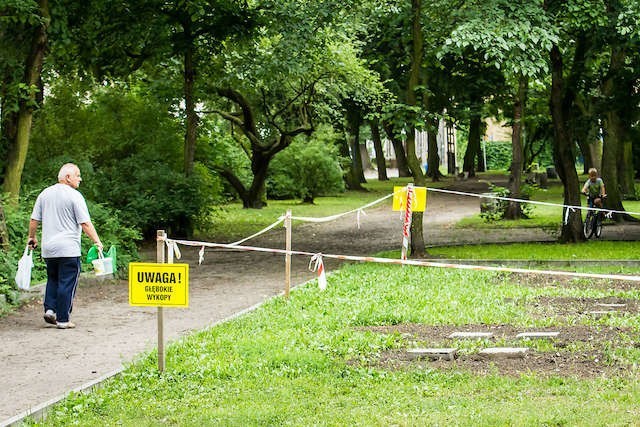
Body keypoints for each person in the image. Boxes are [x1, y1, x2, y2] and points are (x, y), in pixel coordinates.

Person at [27, 163, 103, 329]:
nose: (80, 178)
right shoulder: (74, 196)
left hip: (48, 249)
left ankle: (50, 309)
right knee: (67, 282)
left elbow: (34, 220)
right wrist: (97, 241)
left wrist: (32, 237)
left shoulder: (44, 194)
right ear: (68, 177)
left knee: (53, 279)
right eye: (78, 175)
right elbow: (85, 223)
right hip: (68, 249)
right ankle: (63, 319)